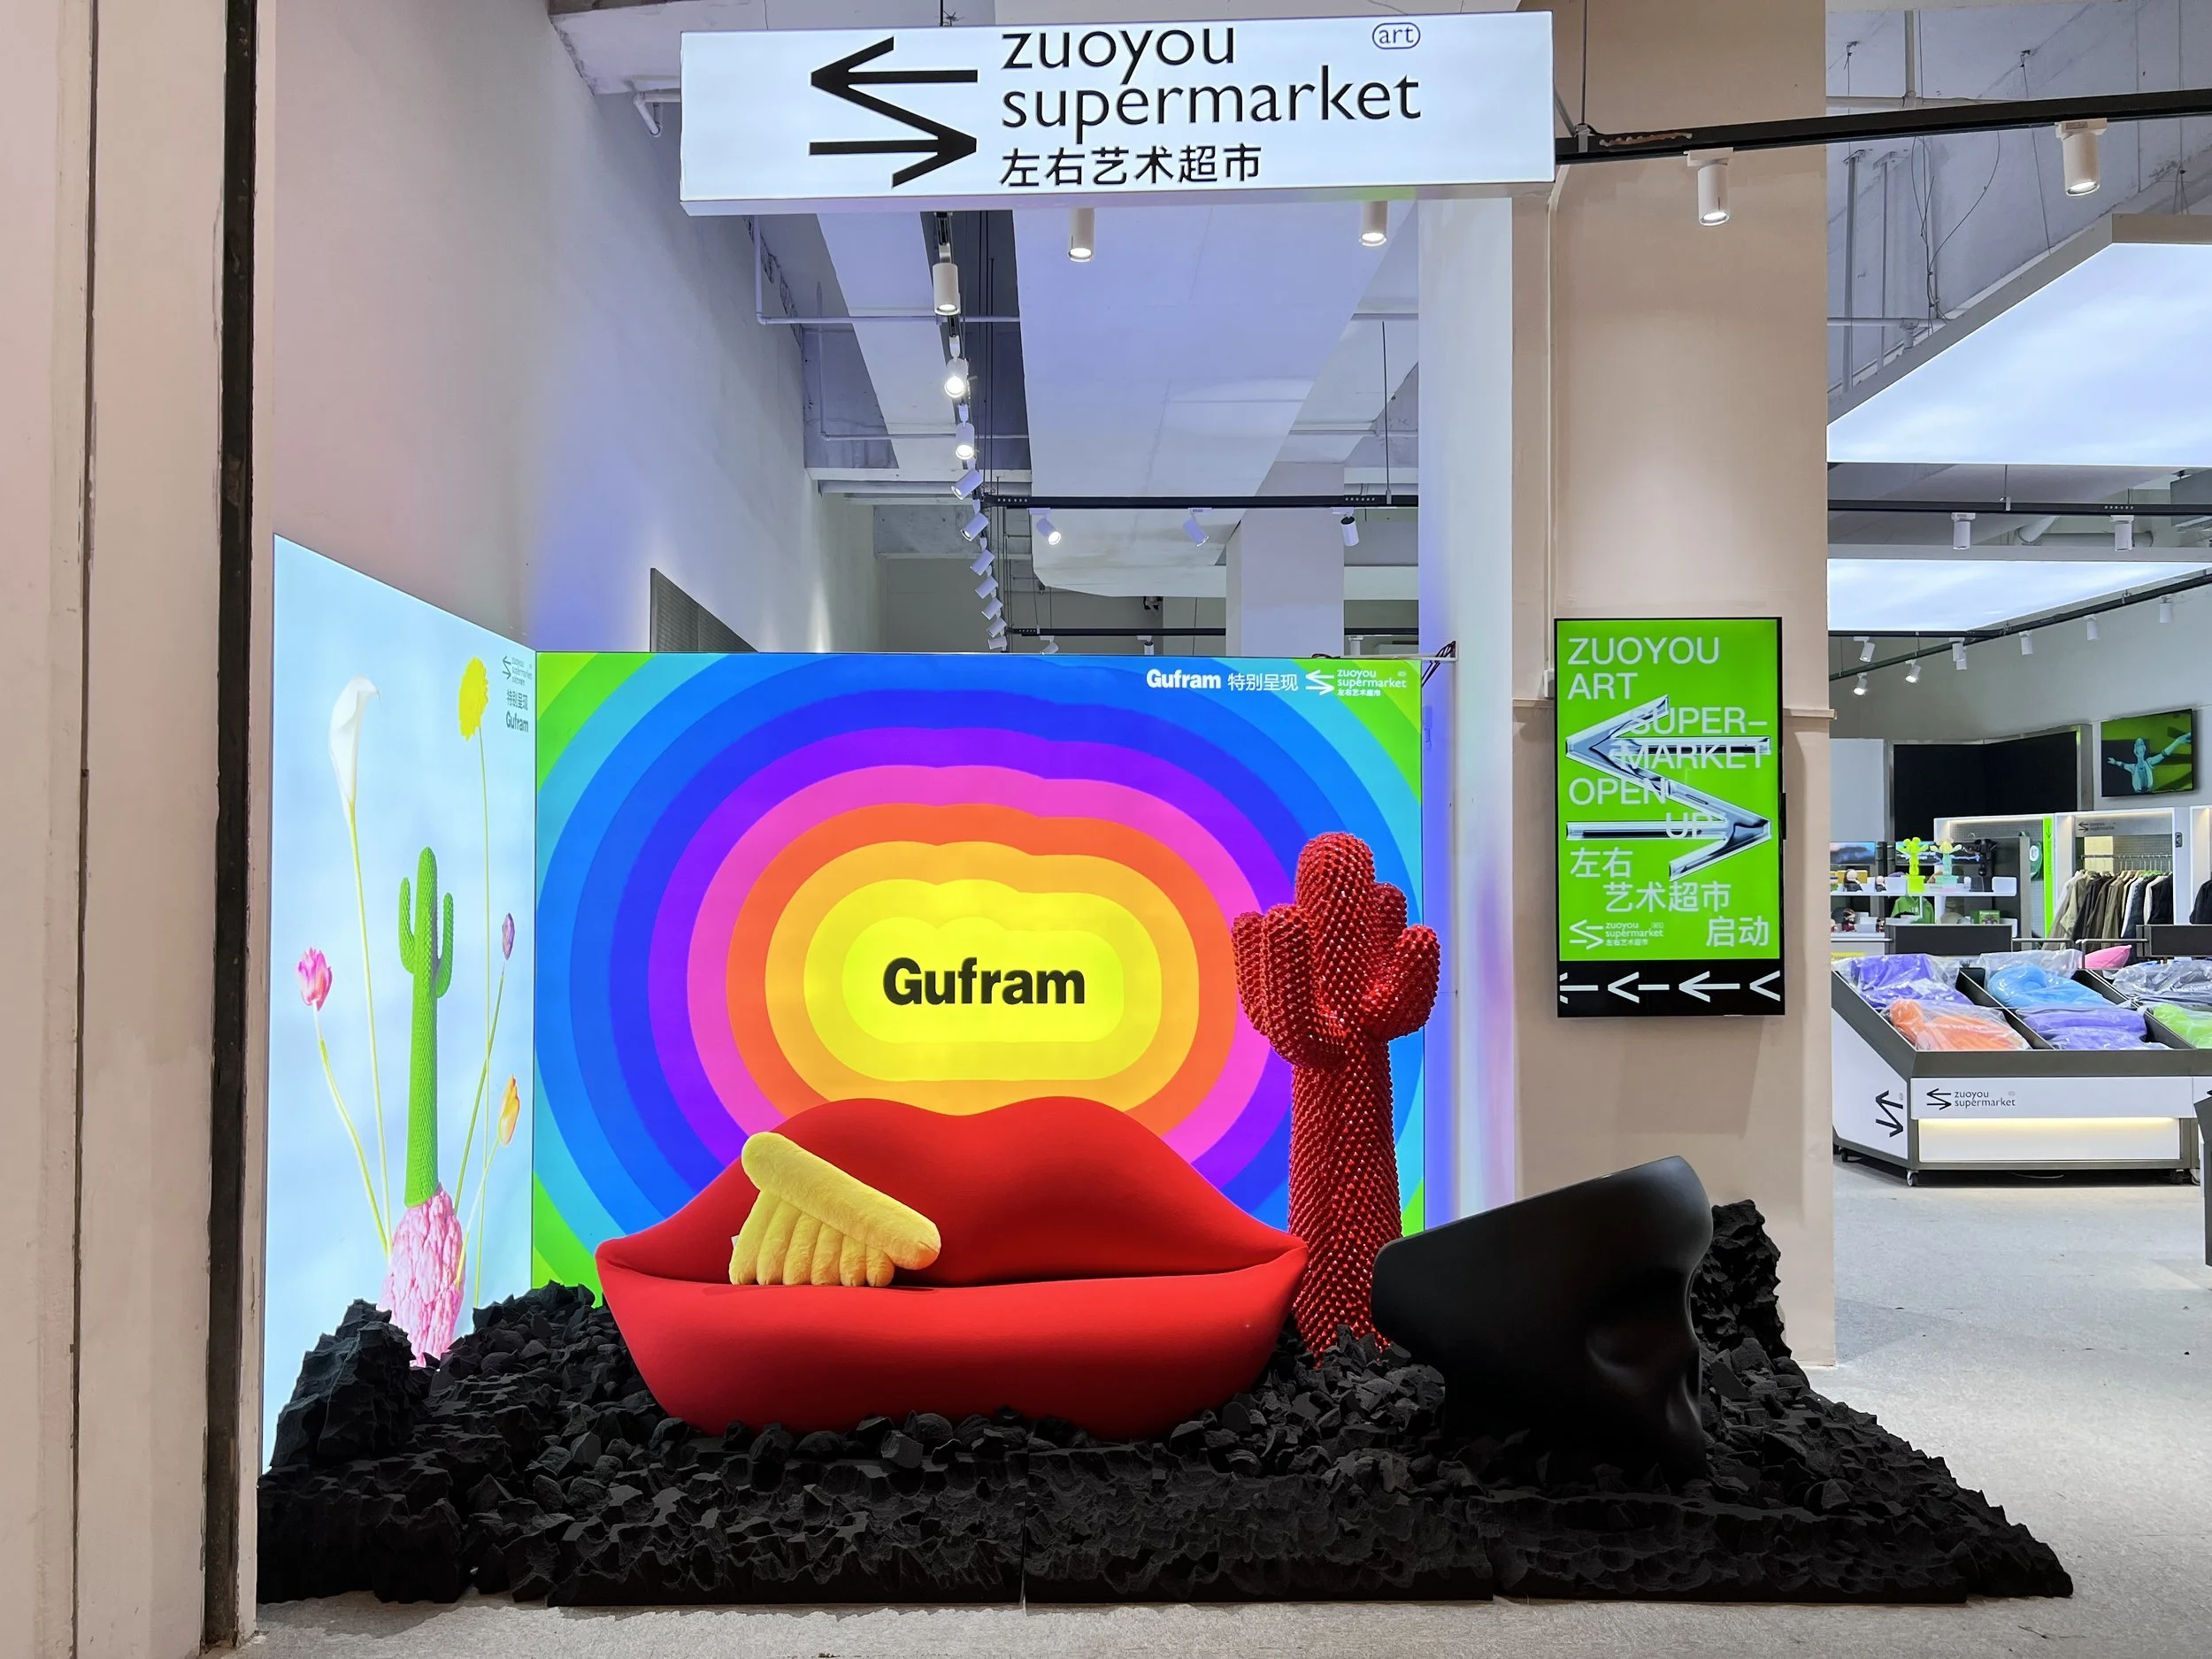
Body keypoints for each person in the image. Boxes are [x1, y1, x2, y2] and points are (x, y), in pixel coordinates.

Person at [2108, 731, 2191, 794]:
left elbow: (2163, 754)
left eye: (2141, 746)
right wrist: (2114, 762)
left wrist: (2177, 742)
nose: (2140, 749)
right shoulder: (2133, 767)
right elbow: (2122, 765)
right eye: (2138, 746)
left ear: (2144, 749)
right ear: (2135, 751)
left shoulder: (2149, 762)